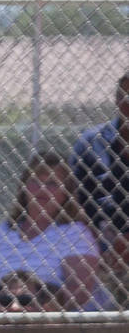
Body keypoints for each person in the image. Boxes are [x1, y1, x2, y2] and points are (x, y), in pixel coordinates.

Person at [0, 151, 110, 312]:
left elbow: (78, 292)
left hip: (50, 323)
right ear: (23, 187)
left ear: (66, 192)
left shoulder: (75, 233)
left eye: (52, 183)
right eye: (35, 181)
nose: (42, 188)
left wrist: (38, 312)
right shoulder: (3, 231)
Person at [70, 70, 129, 269]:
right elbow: (72, 200)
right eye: (125, 97)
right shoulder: (92, 142)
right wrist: (99, 244)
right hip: (100, 244)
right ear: (116, 100)